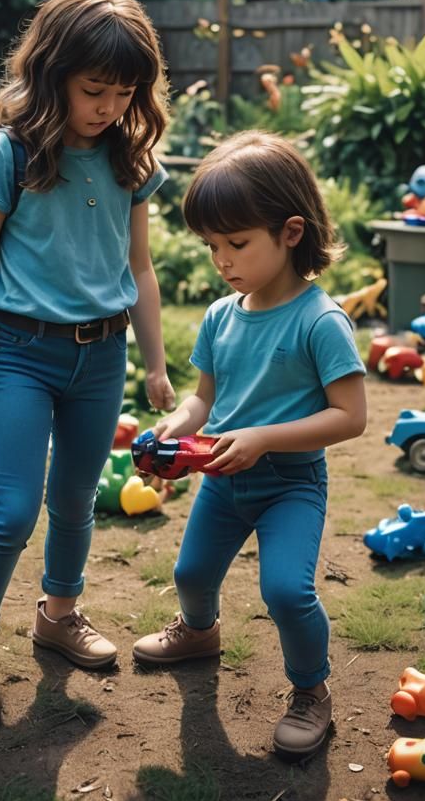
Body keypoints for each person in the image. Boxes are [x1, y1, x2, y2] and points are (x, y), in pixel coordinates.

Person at [0, 0, 176, 721]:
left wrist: (156, 363)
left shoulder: (129, 158)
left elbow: (140, 268)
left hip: (102, 357)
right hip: (22, 354)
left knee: (76, 499)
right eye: (94, 89)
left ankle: (59, 615)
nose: (109, 106)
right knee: (12, 510)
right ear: (53, 74)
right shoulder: (7, 153)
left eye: (124, 92)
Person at [131, 131, 367, 761]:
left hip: (290, 485)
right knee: (190, 574)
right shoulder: (220, 316)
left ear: (291, 232)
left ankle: (311, 690)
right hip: (222, 479)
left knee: (287, 592)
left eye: (236, 244)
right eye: (211, 246)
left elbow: (351, 417)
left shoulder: (321, 320)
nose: (222, 260)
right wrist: (176, 425)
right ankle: (199, 633)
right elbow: (204, 400)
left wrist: (263, 439)